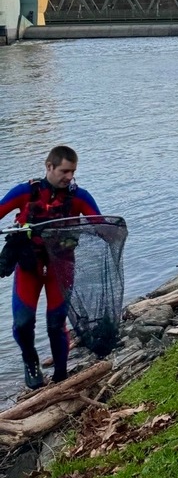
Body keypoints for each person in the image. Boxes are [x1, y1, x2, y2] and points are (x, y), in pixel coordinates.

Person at [0, 146, 100, 388]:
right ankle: (31, 360)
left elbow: (99, 224)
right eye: (65, 171)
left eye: (73, 171)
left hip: (61, 268)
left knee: (56, 323)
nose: (69, 177)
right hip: (29, 267)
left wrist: (96, 231)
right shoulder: (25, 192)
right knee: (23, 323)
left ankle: (61, 375)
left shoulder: (80, 197)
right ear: (49, 167)